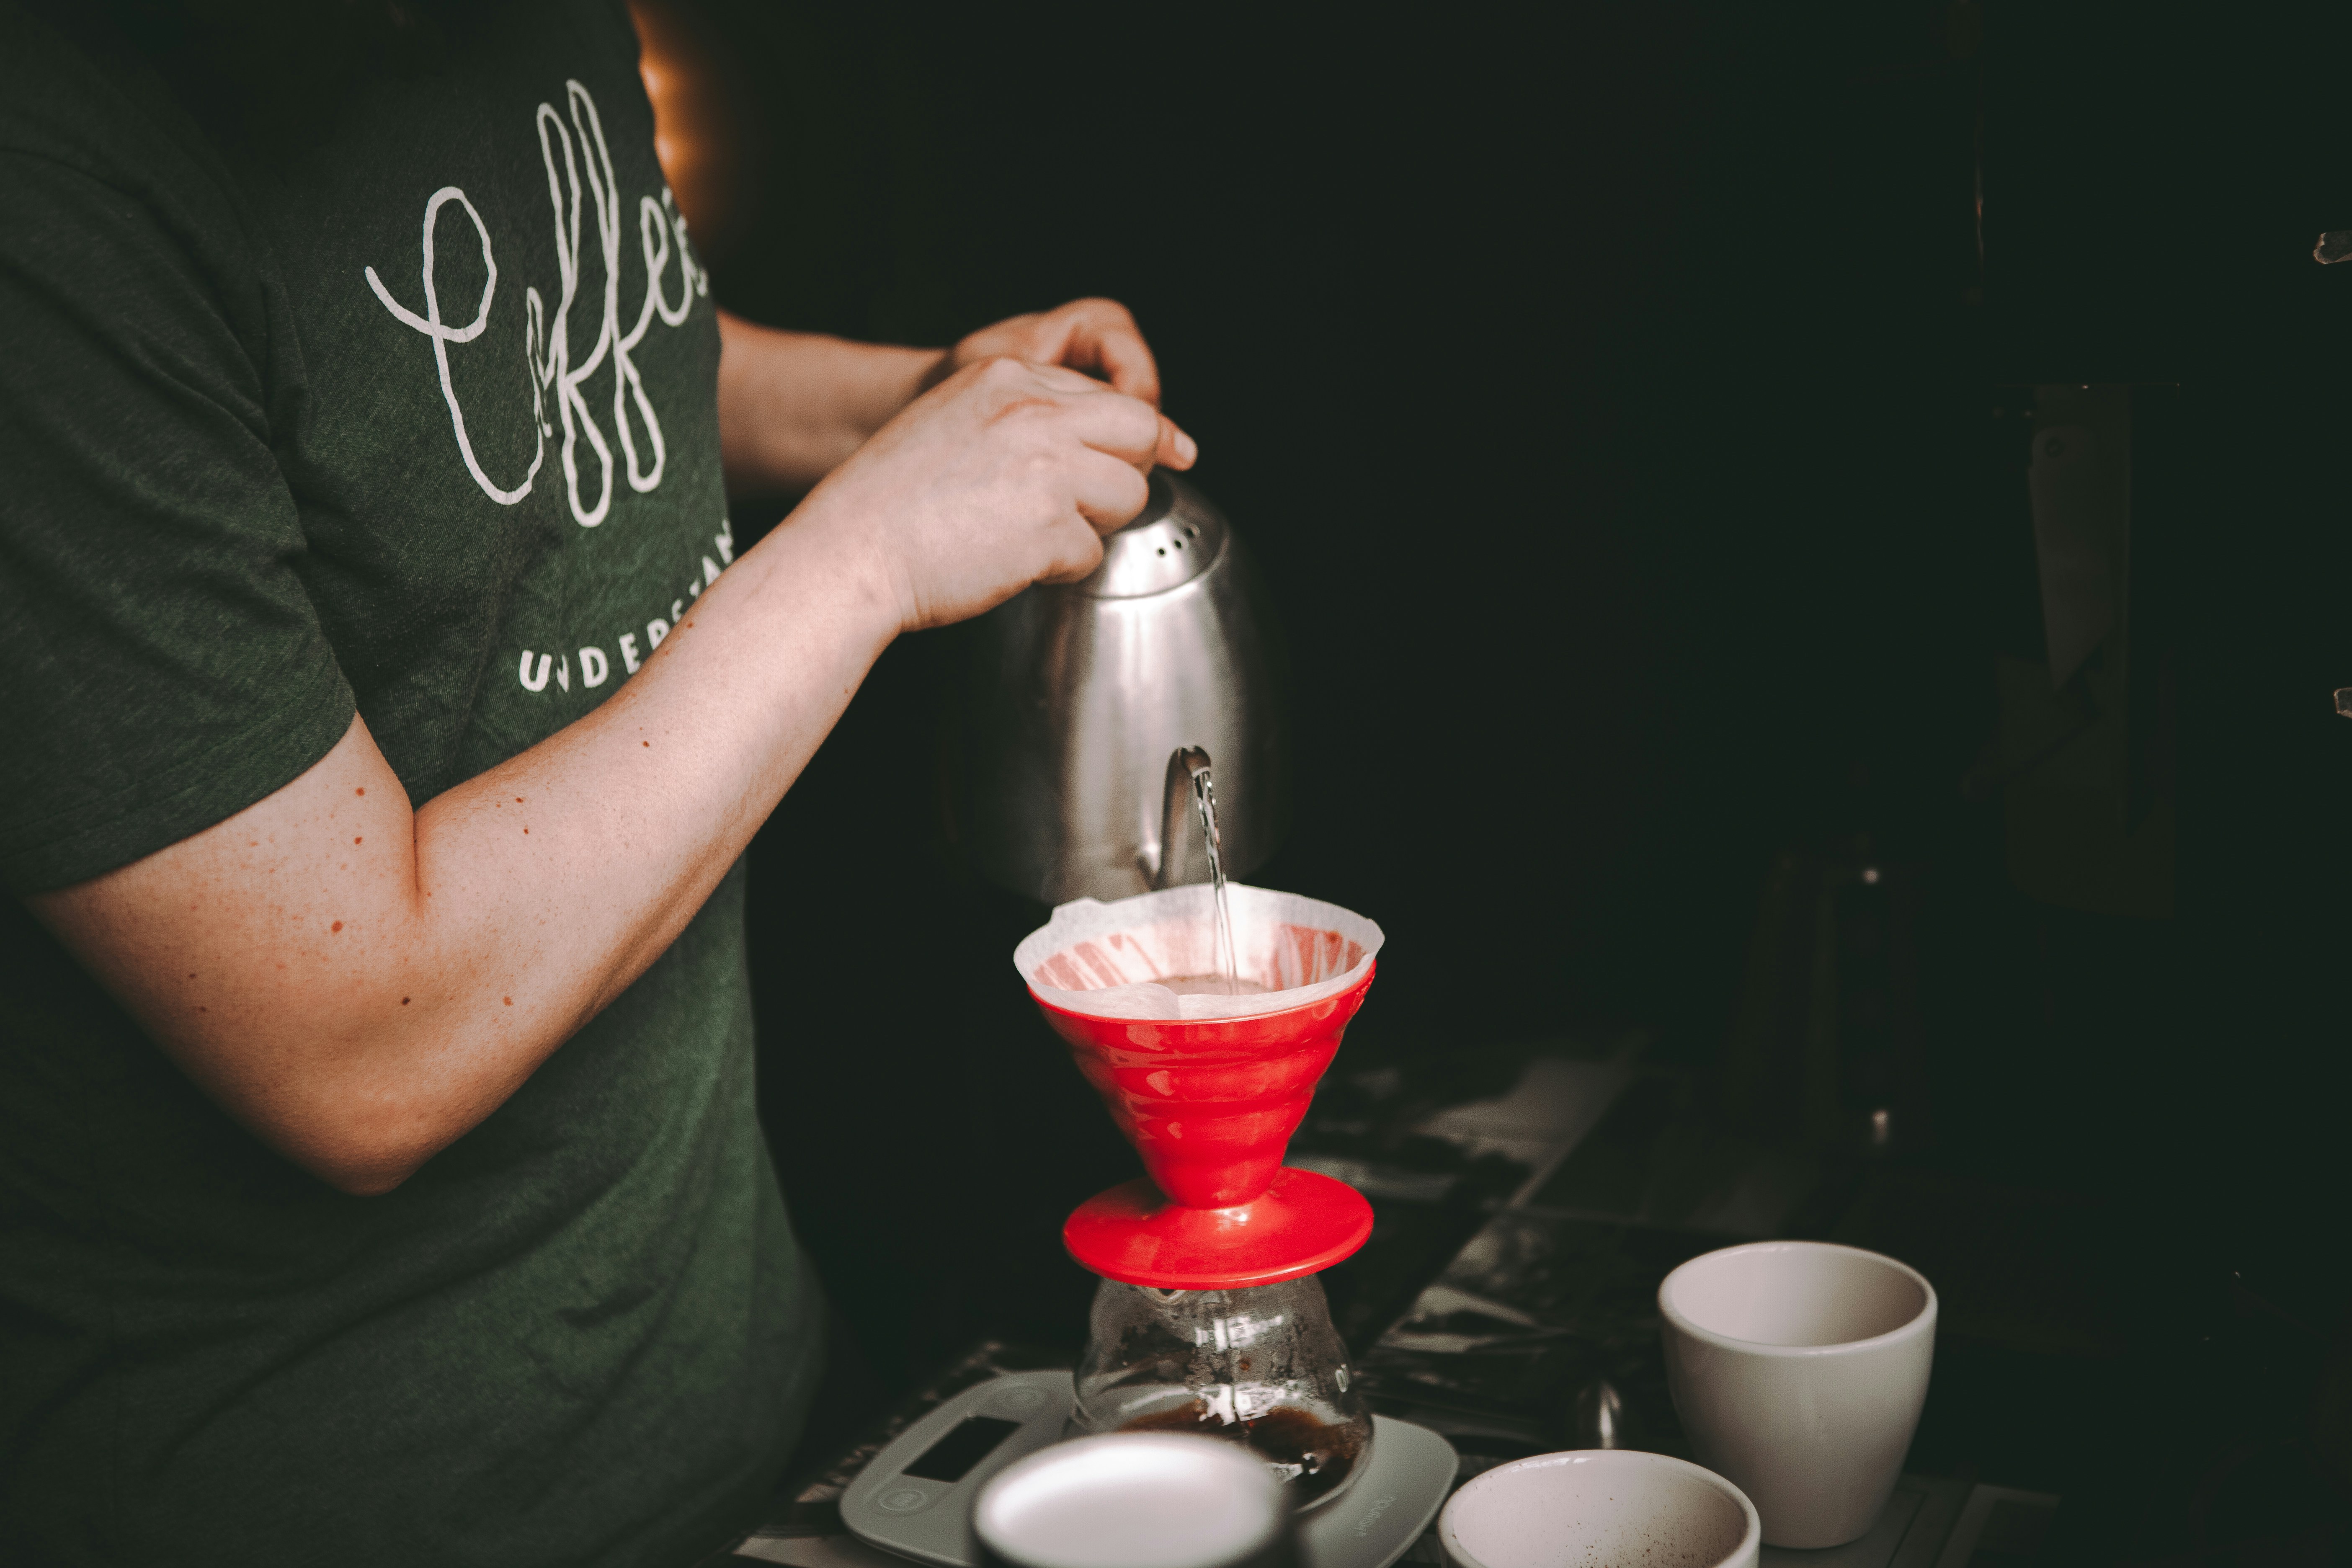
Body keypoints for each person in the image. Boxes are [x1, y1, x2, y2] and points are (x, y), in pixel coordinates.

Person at [0, 2, 1193, 1563]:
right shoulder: (50, 209)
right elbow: (360, 1043)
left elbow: (567, 358)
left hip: (739, 1397)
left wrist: (924, 408)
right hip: (334, 1499)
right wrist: (874, 544)